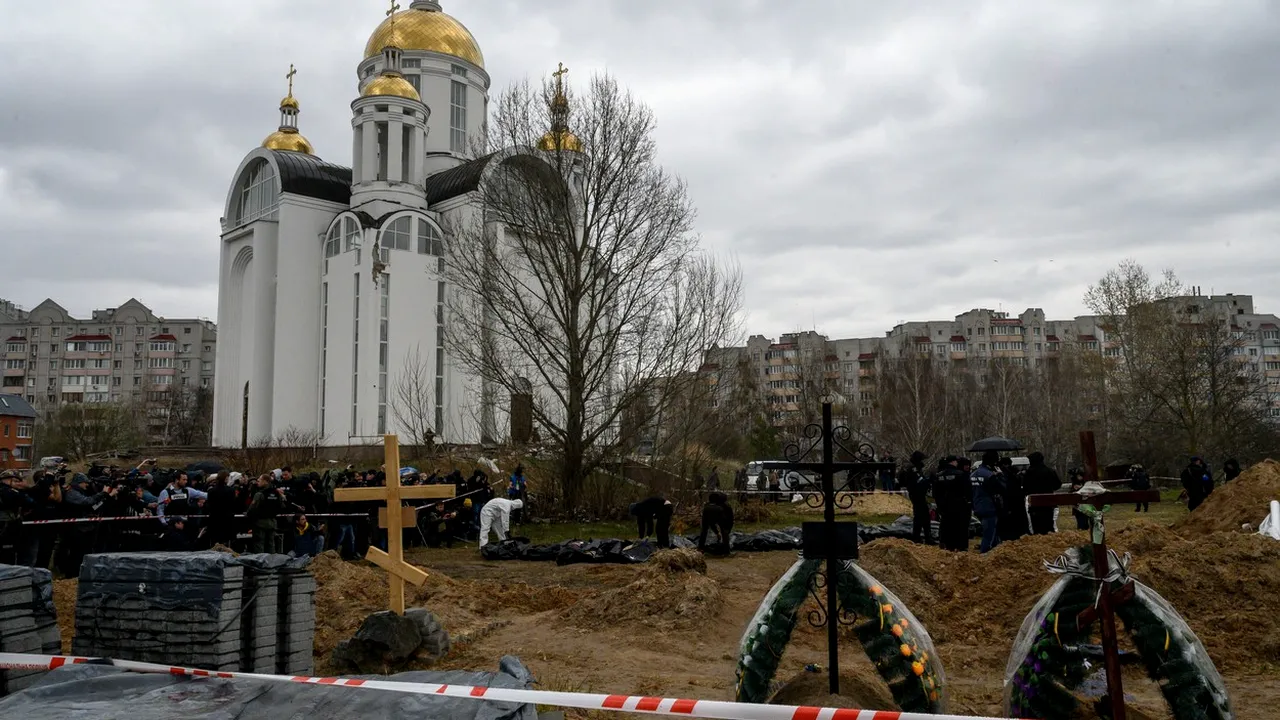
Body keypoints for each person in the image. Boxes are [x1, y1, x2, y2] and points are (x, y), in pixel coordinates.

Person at [933, 456, 971, 552]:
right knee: (960, 526)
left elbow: (935, 493)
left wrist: (939, 504)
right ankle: (961, 546)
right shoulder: (960, 474)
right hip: (959, 505)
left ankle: (948, 545)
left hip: (944, 505)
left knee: (946, 525)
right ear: (953, 462)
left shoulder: (939, 475)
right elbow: (967, 490)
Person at [971, 451, 1006, 553]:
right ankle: (986, 554)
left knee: (989, 532)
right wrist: (1000, 475)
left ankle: (991, 553)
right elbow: (1002, 488)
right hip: (989, 507)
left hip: (977, 506)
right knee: (989, 535)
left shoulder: (973, 474)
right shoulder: (990, 475)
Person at [247, 474, 287, 554]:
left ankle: (260, 564)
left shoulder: (260, 494)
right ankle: (271, 563)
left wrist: (250, 516)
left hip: (260, 523)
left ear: (265, 482)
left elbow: (251, 509)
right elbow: (282, 506)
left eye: (259, 480)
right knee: (271, 544)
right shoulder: (276, 493)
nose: (257, 482)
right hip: (272, 522)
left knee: (259, 545)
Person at [898, 451, 932, 545]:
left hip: (918, 494)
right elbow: (918, 482)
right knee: (920, 516)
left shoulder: (914, 468)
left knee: (924, 516)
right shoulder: (913, 469)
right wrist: (928, 481)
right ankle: (918, 537)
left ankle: (924, 536)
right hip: (917, 495)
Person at [1022, 452, 1060, 535]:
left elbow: (1025, 488)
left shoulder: (1029, 473)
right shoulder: (1050, 471)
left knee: (1036, 526)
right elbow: (1058, 484)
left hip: (1034, 504)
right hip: (1048, 502)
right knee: (1049, 524)